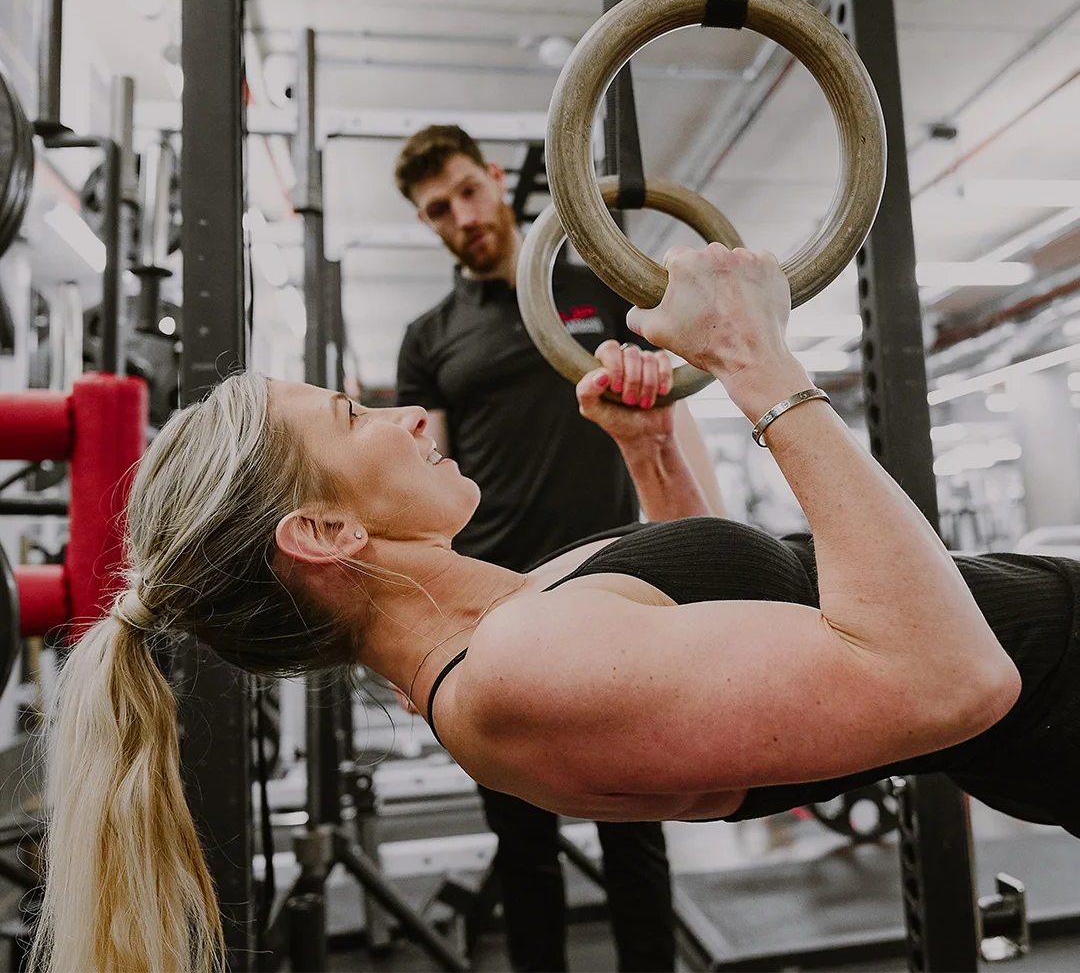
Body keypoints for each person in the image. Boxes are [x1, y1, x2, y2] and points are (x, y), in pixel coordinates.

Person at [39, 242, 1080, 973]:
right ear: (323, 534)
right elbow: (952, 679)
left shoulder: (505, 623)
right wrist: (758, 361)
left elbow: (748, 614)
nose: (406, 416)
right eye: (354, 417)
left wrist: (653, 450)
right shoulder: (513, 680)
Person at [391, 123, 722, 972]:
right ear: (426, 224)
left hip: (615, 576)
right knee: (523, 837)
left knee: (634, 821)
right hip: (496, 598)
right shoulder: (429, 339)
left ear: (496, 178)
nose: (461, 215)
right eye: (438, 210)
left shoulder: (596, 292)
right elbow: (425, 483)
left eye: (468, 190)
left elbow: (668, 412)